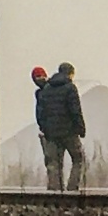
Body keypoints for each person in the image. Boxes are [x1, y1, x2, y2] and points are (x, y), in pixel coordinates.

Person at [35, 62, 87, 192]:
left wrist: (45, 128)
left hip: (51, 133)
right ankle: (72, 188)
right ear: (70, 73)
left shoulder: (46, 89)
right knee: (78, 159)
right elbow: (75, 110)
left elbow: (40, 113)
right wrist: (81, 128)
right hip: (69, 132)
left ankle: (55, 191)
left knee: (54, 163)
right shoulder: (70, 88)